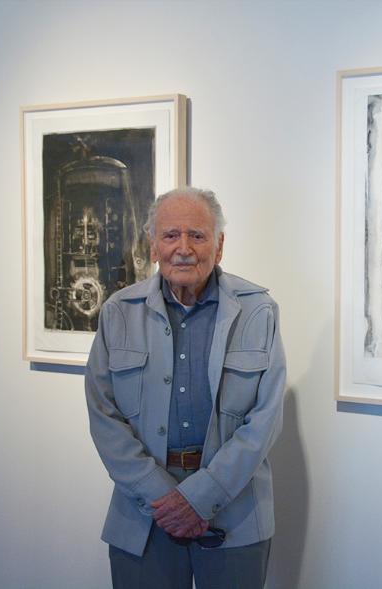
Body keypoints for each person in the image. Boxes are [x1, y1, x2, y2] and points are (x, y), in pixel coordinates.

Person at [85, 187, 286, 589]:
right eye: (170, 235)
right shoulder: (117, 312)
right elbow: (103, 414)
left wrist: (199, 498)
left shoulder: (258, 310)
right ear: (153, 245)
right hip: (144, 513)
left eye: (197, 235)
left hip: (234, 514)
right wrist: (161, 497)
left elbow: (264, 420)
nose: (183, 248)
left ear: (220, 244)